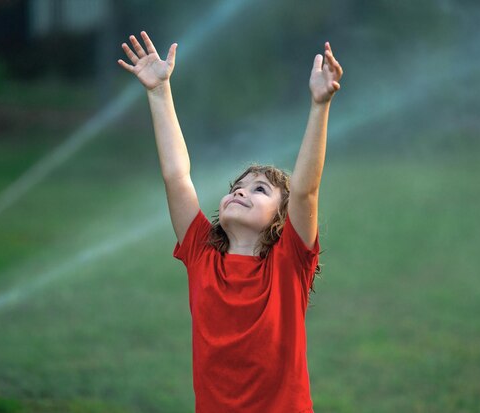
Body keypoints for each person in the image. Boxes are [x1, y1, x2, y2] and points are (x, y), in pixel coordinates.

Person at [118, 31, 343, 413]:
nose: (240, 192)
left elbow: (305, 191)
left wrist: (319, 107)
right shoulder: (201, 253)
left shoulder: (288, 263)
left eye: (259, 190)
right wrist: (159, 92)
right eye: (236, 187)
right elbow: (177, 176)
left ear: (282, 219)